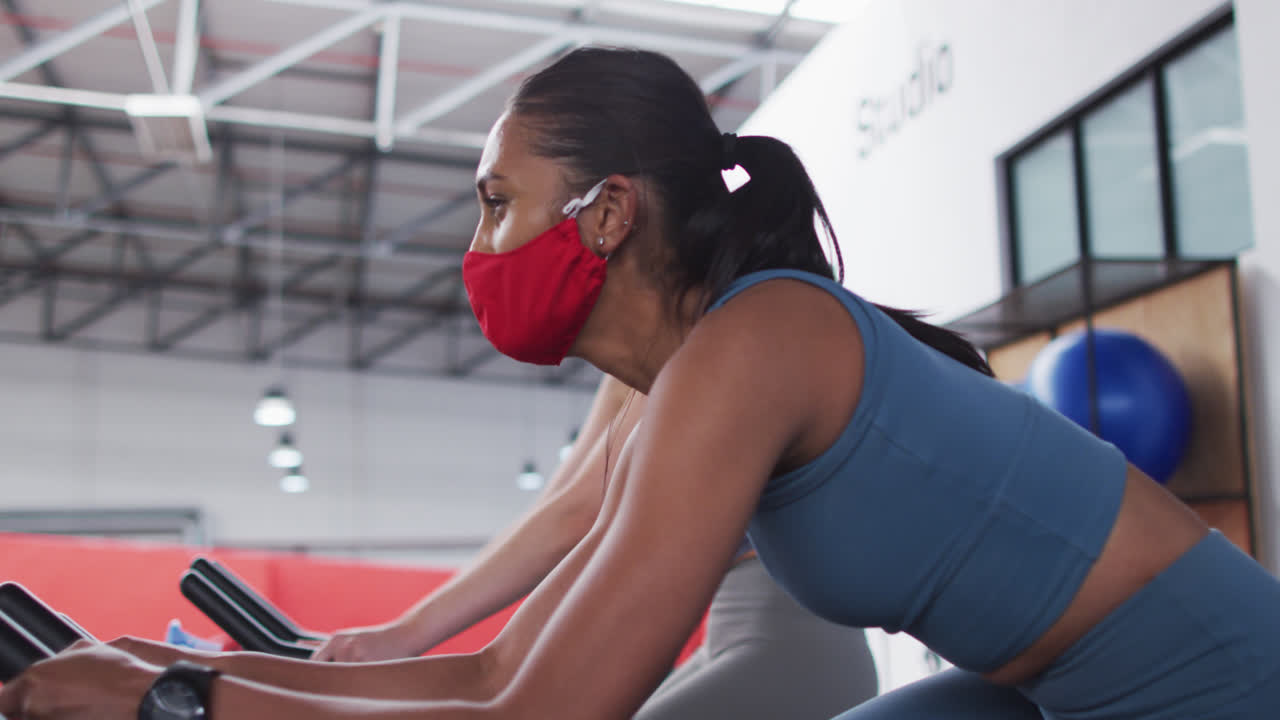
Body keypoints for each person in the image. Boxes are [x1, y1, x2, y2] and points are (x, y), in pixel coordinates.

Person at [3, 45, 1280, 720]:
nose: (478, 247)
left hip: (1203, 675)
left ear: (607, 215)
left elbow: (537, 708)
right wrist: (178, 677)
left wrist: (175, 699)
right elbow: (497, 670)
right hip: (1033, 688)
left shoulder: (752, 346)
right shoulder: (694, 375)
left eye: (499, 205)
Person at [307, 374, 878, 720]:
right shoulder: (639, 351)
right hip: (736, 636)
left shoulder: (702, 325)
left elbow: (583, 511)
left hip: (792, 647)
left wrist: (407, 635)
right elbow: (558, 508)